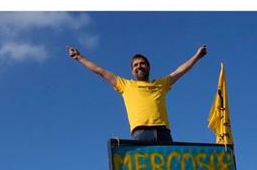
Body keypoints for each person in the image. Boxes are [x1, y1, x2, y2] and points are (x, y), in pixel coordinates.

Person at [67, 45, 208, 142]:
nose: (138, 66)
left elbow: (180, 71)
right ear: (132, 71)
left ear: (148, 67)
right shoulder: (125, 85)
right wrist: (79, 57)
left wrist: (197, 56)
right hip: (141, 134)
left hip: (163, 133)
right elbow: (100, 71)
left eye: (141, 63)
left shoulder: (160, 84)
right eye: (135, 65)